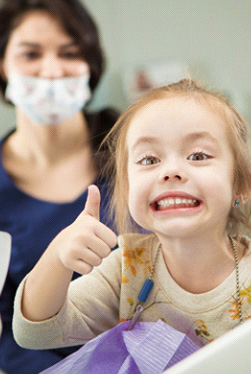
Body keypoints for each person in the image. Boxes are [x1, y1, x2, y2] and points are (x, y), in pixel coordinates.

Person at [13, 79, 251, 365]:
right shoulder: (126, 268)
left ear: (240, 185)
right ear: (128, 190)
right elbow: (34, 333)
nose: (171, 171)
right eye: (149, 159)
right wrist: (57, 256)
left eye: (198, 155)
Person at [0, 0, 119, 373]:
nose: (51, 71)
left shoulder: (137, 154)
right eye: (30, 54)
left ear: (90, 65)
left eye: (69, 53)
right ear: (3, 64)